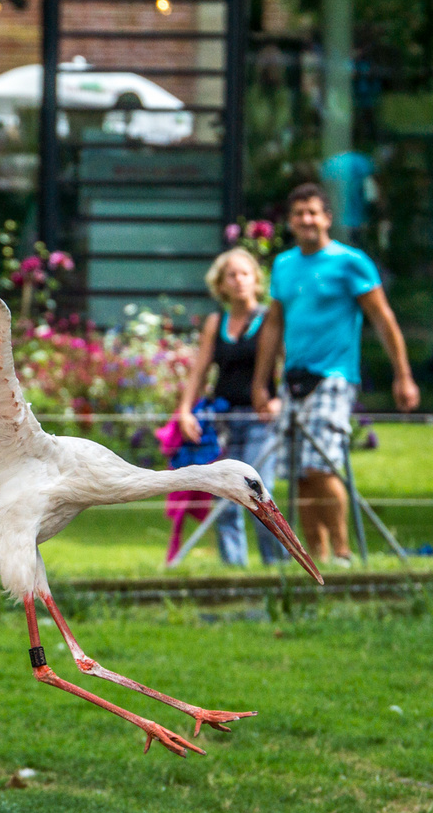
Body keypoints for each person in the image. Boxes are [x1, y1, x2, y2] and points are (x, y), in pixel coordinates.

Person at [252, 182, 419, 565]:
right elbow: (274, 325)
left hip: (334, 375)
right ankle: (318, 557)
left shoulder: (351, 262)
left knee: (321, 465)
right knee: (298, 473)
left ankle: (343, 553)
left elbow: (383, 318)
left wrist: (403, 376)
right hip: (292, 377)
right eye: (299, 213)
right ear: (291, 222)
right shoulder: (284, 264)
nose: (306, 219)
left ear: (327, 217)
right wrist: (261, 382)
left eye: (313, 212)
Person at [177, 248, 288, 568]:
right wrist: (186, 410)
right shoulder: (216, 322)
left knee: (259, 497)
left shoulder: (270, 318)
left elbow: (285, 364)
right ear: (221, 284)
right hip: (223, 422)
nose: (239, 281)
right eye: (232, 275)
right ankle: (234, 573)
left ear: (256, 280)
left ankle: (277, 570)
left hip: (260, 420)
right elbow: (199, 372)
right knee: (225, 501)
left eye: (245, 274)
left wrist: (279, 400)